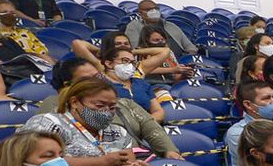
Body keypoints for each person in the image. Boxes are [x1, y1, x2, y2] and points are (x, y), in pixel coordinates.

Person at [23, 77, 160, 166]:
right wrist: (102, 163)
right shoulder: (49, 123)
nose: (106, 112)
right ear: (75, 102)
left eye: (112, 107)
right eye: (100, 105)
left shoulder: (118, 133)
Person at [38, 56, 178, 159]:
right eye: (88, 79)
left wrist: (169, 151)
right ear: (68, 85)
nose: (97, 81)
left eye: (97, 75)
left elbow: (151, 127)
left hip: (135, 162)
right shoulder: (54, 104)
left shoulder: (124, 103)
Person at [120, 0, 196, 56]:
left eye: (156, 9)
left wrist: (190, 54)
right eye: (148, 10)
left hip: (180, 61)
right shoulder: (134, 26)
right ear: (140, 14)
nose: (154, 11)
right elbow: (136, 48)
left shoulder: (171, 26)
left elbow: (189, 46)